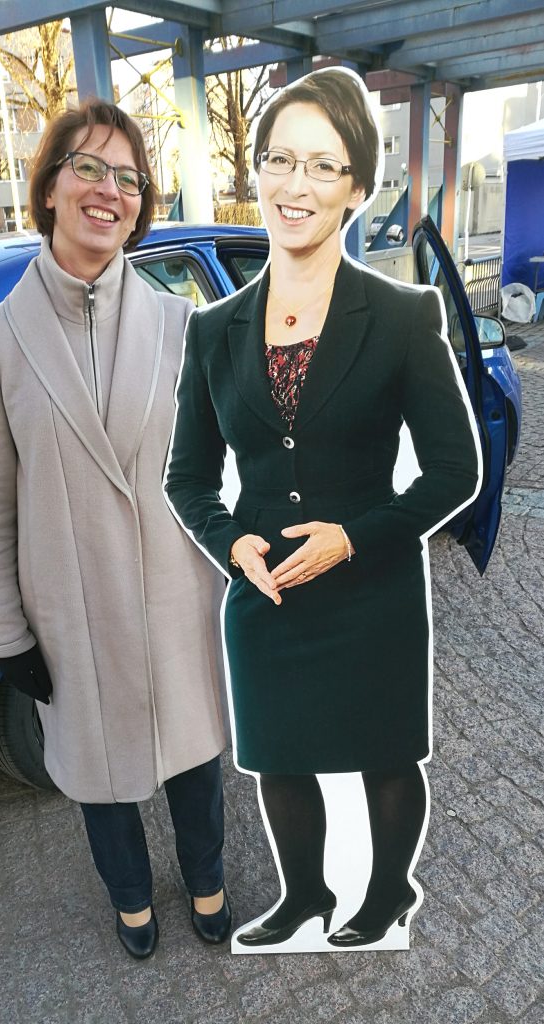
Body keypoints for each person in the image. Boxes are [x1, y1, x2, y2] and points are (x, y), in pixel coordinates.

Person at [165, 68, 480, 949]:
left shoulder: (402, 315)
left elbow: (455, 470)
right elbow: (187, 477)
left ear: (354, 187)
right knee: (280, 754)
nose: (294, 184)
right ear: (257, 172)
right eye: (278, 160)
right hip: (266, 596)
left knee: (385, 752)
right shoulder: (211, 330)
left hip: (371, 587)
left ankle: (385, 894)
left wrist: (353, 538)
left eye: (321, 165)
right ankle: (303, 895)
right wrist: (232, 545)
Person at [0, 99, 231, 960]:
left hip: (176, 600)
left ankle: (208, 879)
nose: (110, 190)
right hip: (73, 613)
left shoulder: (182, 327)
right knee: (101, 778)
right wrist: (7, 635)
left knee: (194, 761)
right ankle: (130, 899)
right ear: (48, 188)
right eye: (88, 167)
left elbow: (222, 475)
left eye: (129, 178)